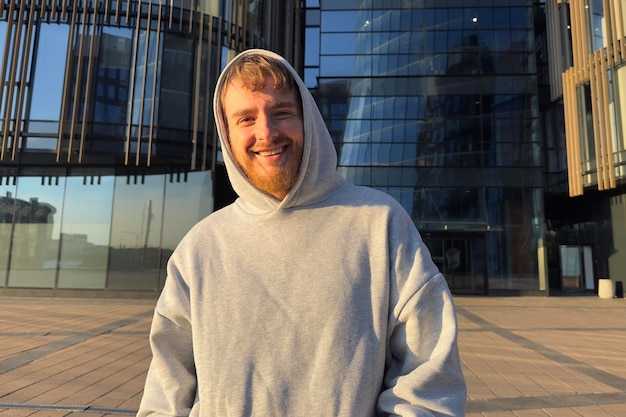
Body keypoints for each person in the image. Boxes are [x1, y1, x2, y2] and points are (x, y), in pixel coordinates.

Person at [137, 49, 466, 417]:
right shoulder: (198, 248)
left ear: (307, 118)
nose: (266, 132)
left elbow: (428, 376)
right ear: (226, 135)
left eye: (281, 112)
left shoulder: (381, 224)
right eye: (246, 118)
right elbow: (166, 395)